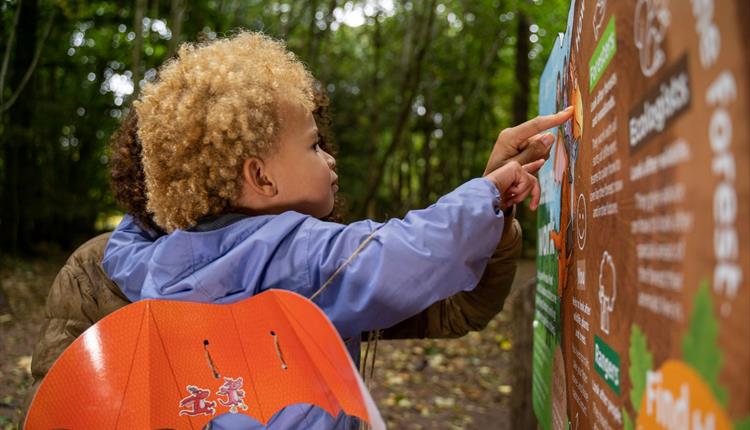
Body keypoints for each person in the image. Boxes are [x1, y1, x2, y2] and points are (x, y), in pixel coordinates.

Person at [98, 31, 572, 428]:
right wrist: (486, 192)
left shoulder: (156, 264)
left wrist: (170, 196)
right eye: (313, 146)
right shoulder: (295, 251)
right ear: (261, 177)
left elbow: (124, 248)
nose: (330, 159)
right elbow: (403, 254)